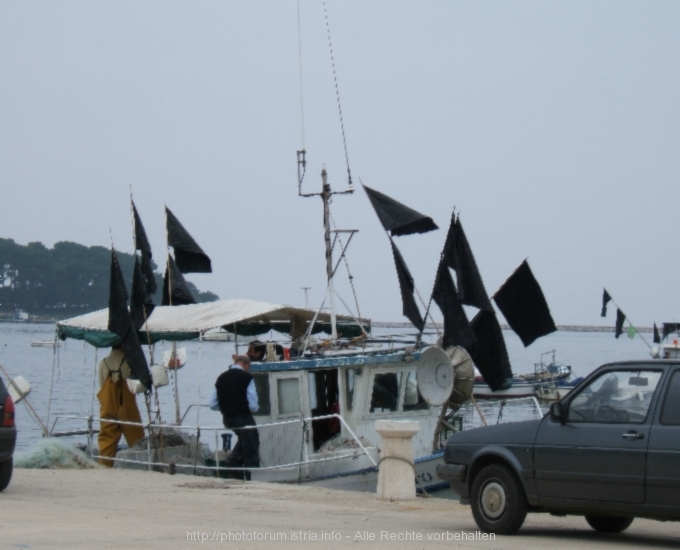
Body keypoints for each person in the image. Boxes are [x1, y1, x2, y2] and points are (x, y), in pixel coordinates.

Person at [210, 354, 259, 480]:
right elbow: (253, 404)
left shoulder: (221, 377)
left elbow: (213, 404)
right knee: (252, 442)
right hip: (243, 416)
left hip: (227, 418)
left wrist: (227, 406)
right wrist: (252, 408)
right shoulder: (246, 377)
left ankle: (234, 463)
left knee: (244, 439)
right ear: (246, 365)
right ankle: (245, 470)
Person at [97, 345, 145, 467]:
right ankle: (142, 466)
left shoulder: (103, 363)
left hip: (107, 405)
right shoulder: (128, 361)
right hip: (126, 405)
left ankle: (104, 466)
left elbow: (101, 384)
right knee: (136, 438)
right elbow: (137, 385)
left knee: (106, 439)